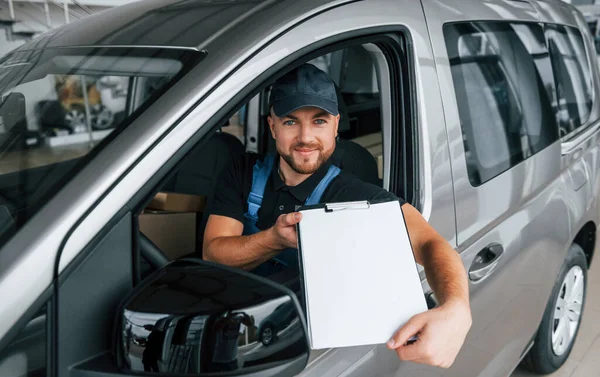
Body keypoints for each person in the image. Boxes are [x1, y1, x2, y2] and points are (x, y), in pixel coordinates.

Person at [203, 63, 472, 368]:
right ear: (272, 126)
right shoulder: (242, 172)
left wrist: (456, 309)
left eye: (319, 121)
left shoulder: (352, 194)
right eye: (291, 122)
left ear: (335, 126)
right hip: (230, 330)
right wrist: (274, 239)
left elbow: (429, 244)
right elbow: (214, 253)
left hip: (296, 345)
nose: (306, 137)